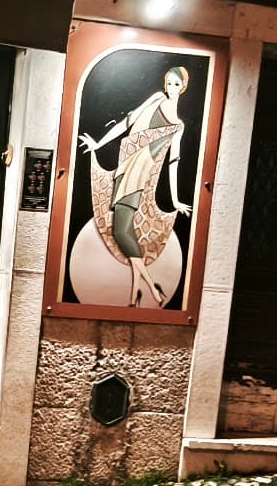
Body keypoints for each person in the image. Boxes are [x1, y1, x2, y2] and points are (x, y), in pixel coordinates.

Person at [79, 64, 192, 307]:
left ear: (183, 88)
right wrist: (99, 144)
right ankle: (139, 293)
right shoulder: (156, 98)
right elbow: (127, 122)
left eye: (176, 84)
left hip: (141, 173)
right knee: (124, 229)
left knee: (121, 230)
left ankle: (147, 287)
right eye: (168, 82)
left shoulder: (178, 125)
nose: (170, 87)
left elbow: (174, 160)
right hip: (126, 164)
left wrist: (174, 200)